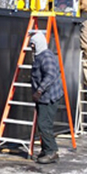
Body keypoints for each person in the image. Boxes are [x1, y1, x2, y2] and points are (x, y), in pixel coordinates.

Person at [30, 32, 64, 164]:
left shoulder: (46, 57)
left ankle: (51, 152)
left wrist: (39, 90)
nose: (31, 47)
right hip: (43, 97)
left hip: (48, 97)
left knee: (44, 124)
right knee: (43, 124)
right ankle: (46, 149)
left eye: (32, 44)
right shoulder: (40, 56)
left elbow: (50, 75)